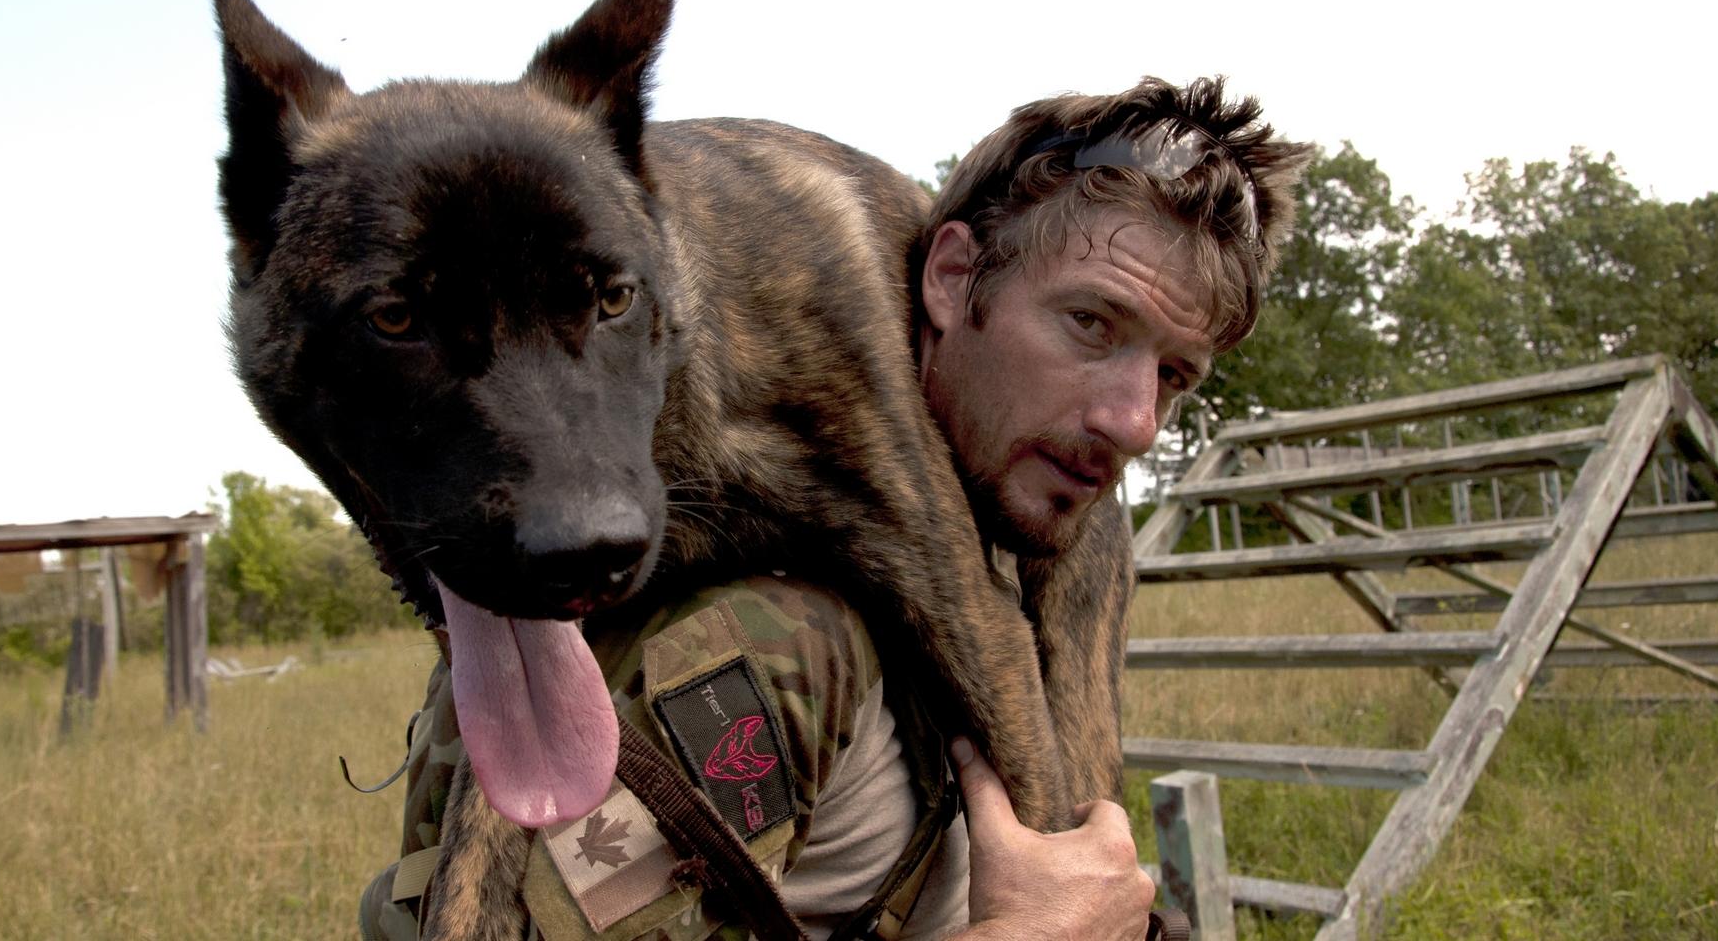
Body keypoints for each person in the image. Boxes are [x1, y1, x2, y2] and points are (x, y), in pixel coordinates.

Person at [359, 76, 1312, 940]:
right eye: (1089, 324)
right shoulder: (766, 643)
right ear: (947, 278)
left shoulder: (1041, 550)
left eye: (1175, 375)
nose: (1137, 421)